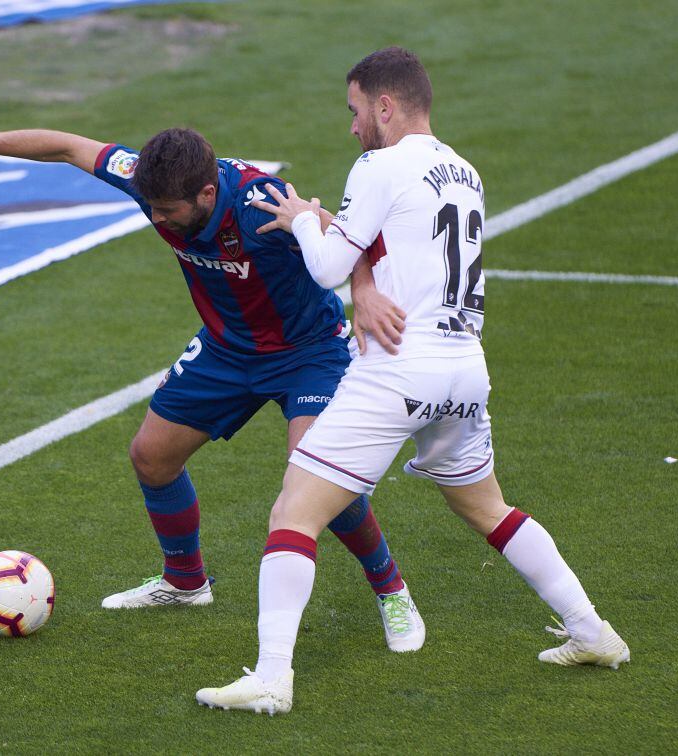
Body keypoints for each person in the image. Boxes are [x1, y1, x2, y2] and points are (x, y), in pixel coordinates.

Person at [195, 47, 630, 716]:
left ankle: (271, 678)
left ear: (385, 107)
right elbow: (389, 252)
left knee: (294, 512)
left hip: (399, 365)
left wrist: (305, 219)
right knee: (489, 508)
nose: (352, 126)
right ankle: (592, 631)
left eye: (355, 111)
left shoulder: (379, 163)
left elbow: (328, 267)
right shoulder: (464, 170)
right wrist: (360, 271)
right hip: (465, 367)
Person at [0, 125, 426, 651]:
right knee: (151, 456)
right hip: (227, 348)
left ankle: (391, 589)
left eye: (167, 209)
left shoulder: (258, 201)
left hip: (308, 351)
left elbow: (347, 243)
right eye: (150, 206)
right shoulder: (150, 179)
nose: (156, 218)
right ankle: (185, 582)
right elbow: (67, 146)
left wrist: (364, 295)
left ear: (207, 194)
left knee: (317, 479)